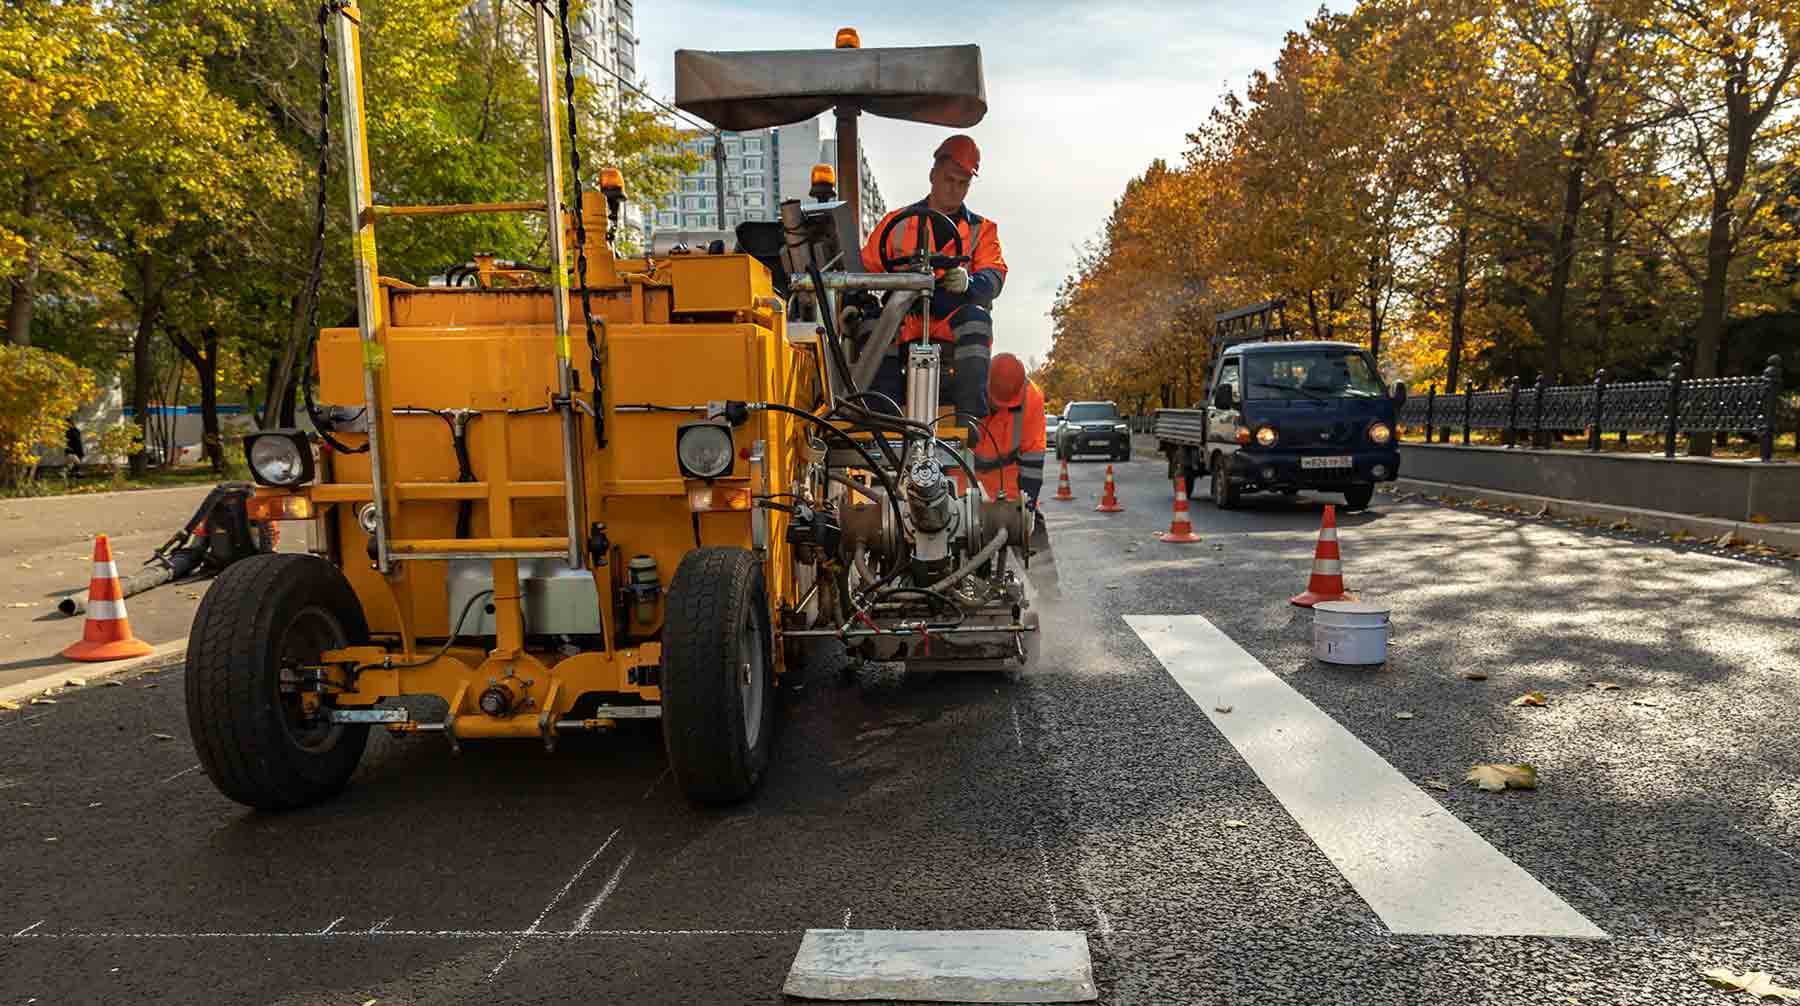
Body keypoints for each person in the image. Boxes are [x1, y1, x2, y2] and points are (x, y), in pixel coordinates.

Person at [860, 134, 1007, 418]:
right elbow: (863, 271)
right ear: (933, 175)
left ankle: (969, 416)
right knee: (870, 324)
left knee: (977, 322)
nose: (955, 189)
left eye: (962, 183)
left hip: (950, 322)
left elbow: (994, 276)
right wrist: (853, 304)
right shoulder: (896, 224)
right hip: (902, 320)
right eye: (949, 180)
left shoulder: (982, 230)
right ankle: (883, 414)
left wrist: (970, 282)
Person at [972, 353, 1046, 507]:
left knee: (1032, 528)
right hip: (963, 485)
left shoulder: (1032, 398)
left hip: (1008, 491)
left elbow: (1033, 457)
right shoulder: (968, 386)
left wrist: (1027, 506)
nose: (999, 407)